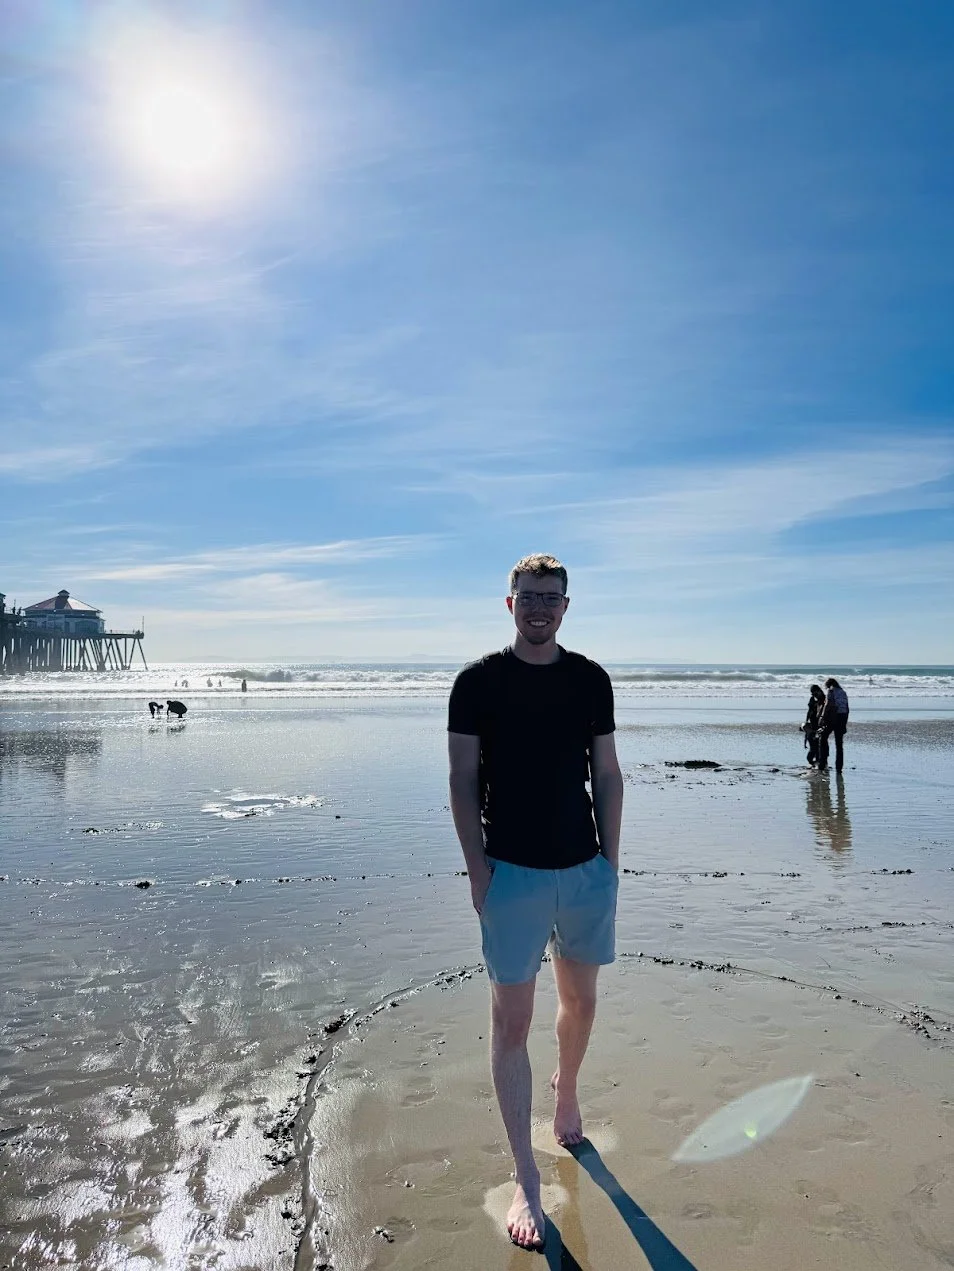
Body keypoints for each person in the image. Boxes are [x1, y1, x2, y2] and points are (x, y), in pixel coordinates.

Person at [447, 553, 623, 1251]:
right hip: (510, 873)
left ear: (566, 605)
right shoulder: (477, 683)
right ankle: (525, 1175)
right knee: (512, 1022)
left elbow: (607, 773)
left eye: (552, 597)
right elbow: (461, 781)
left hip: (583, 869)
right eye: (529, 597)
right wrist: (476, 872)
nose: (540, 607)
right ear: (509, 602)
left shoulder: (590, 680)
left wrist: (611, 861)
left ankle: (569, 1090)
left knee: (579, 1002)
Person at [817, 676, 850, 771]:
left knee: (823, 737)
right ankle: (839, 768)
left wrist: (822, 717)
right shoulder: (843, 692)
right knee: (839, 744)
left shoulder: (831, 691)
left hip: (834, 717)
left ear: (829, 685)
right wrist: (845, 723)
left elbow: (828, 705)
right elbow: (847, 708)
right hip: (843, 717)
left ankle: (822, 764)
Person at [800, 684, 826, 766]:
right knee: (814, 743)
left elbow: (822, 711)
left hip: (818, 722)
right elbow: (809, 711)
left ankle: (817, 761)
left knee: (817, 744)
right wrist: (806, 720)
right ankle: (814, 761)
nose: (812, 694)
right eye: (812, 693)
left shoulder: (822, 699)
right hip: (813, 722)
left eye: (813, 692)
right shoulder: (813, 699)